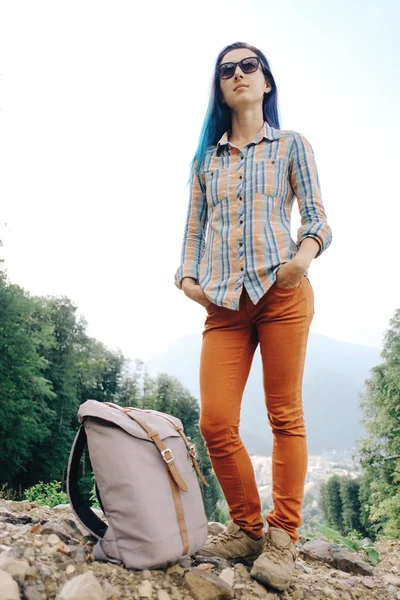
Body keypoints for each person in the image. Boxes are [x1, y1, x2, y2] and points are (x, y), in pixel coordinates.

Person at [174, 41, 332, 592]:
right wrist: (189, 282)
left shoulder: (291, 145)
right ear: (220, 87)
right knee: (215, 421)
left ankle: (282, 537)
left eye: (249, 66)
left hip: (282, 294)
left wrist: (299, 262)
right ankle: (246, 527)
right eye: (227, 70)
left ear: (266, 81)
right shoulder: (204, 161)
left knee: (284, 414)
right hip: (223, 306)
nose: (238, 74)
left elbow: (316, 219)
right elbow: (192, 235)